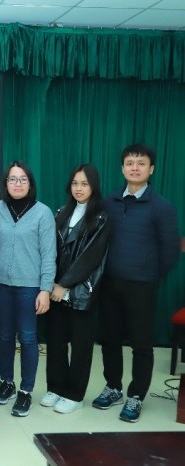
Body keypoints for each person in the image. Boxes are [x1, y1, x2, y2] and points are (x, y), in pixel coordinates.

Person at [93, 144, 180, 422]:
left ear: (151, 169)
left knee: (141, 344)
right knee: (109, 340)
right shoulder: (109, 202)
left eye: (141, 163)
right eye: (130, 163)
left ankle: (136, 395)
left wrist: (150, 274)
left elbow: (169, 250)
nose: (135, 167)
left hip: (142, 286)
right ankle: (113, 387)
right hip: (109, 283)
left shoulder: (162, 206)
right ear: (122, 168)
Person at [41, 164, 110, 414]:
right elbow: (50, 250)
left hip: (82, 290)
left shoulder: (101, 217)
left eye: (84, 184)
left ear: (94, 186)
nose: (78, 188)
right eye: (74, 183)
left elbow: (90, 258)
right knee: (56, 342)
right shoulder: (61, 212)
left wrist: (64, 284)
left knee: (81, 346)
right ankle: (56, 387)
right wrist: (51, 283)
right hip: (55, 289)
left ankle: (75, 394)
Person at [0, 161, 56, 417]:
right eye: (12, 179)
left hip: (30, 286)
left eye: (23, 179)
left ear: (30, 183)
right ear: (5, 183)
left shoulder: (43, 213)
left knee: (28, 338)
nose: (17, 184)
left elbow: (49, 255)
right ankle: (6, 382)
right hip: (0, 285)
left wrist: (45, 289)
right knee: (5, 337)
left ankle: (26, 391)